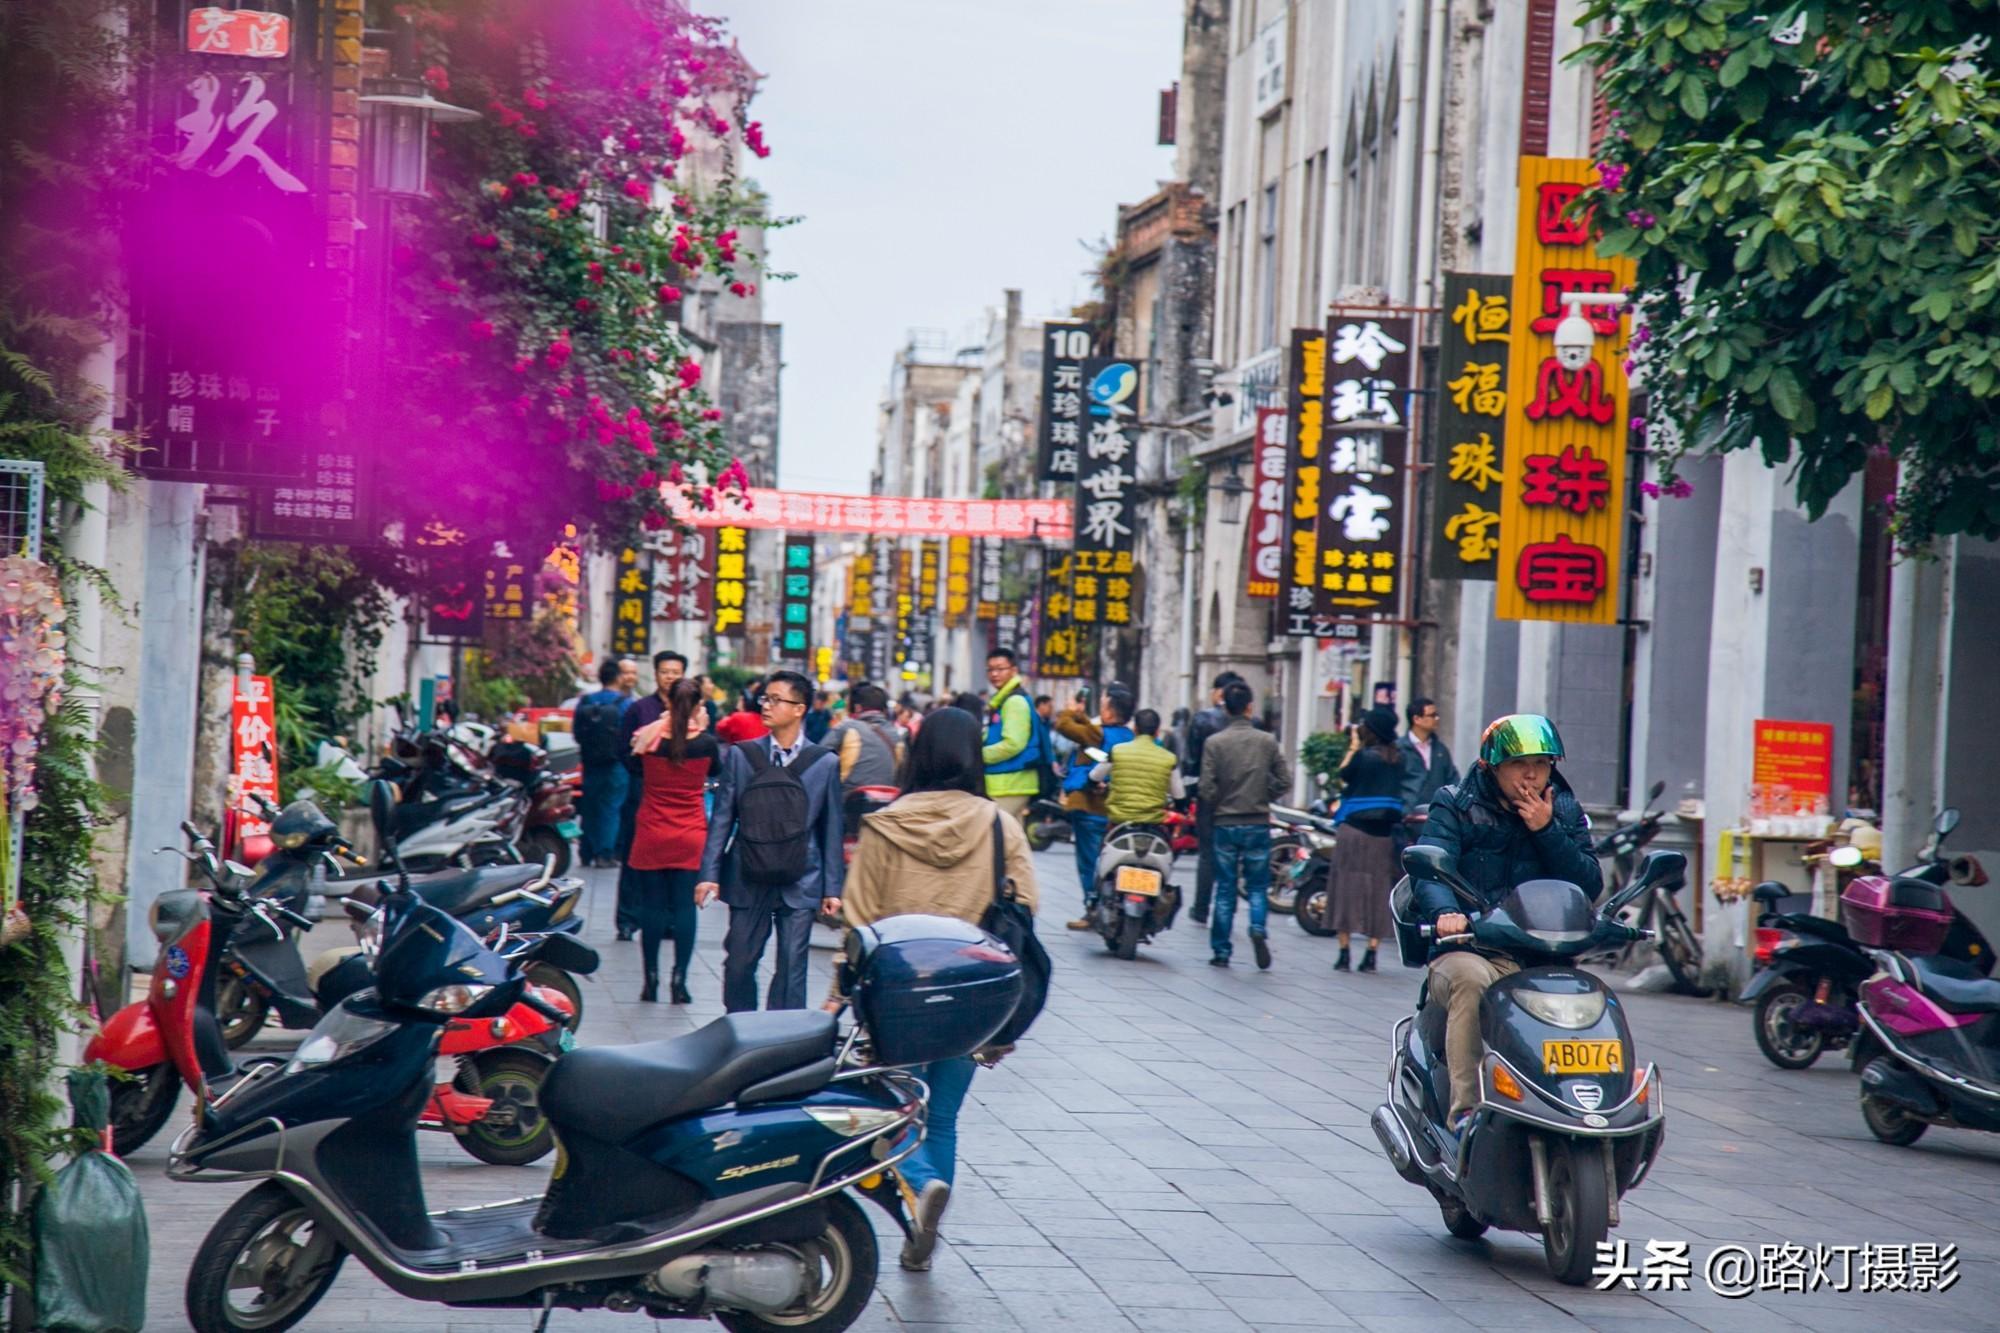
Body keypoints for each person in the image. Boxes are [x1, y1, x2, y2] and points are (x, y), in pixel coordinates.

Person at [830, 706, 1038, 1272]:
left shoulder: (886, 822)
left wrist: (837, 990)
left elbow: (860, 917)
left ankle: (918, 1185)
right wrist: (1008, 1017)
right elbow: (1025, 910)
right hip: (973, 997)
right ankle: (924, 1218)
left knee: (895, 1107)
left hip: (897, 994)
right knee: (941, 1117)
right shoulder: (1001, 826)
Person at [1417, 714, 1601, 1133]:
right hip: (1471, 947)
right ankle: (1465, 1111)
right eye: (1520, 763)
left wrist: (1546, 829)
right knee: (1470, 979)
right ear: (1492, 766)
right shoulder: (1456, 804)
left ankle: (1583, 1104)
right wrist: (1446, 914)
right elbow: (1430, 869)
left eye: (1542, 762)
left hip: (1542, 954)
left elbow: (1589, 883)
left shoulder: (1564, 809)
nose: (1532, 774)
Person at [697, 669, 844, 1012]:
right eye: (765, 698)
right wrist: (708, 874)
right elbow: (722, 819)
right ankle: (741, 1030)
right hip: (748, 872)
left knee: (793, 967)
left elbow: (831, 828)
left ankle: (782, 1042)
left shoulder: (823, 763)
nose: (766, 706)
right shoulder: (741, 756)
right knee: (739, 963)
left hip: (802, 875)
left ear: (799, 708)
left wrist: (832, 888)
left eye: (776, 700)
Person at [625, 677, 717, 1004]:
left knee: (651, 907)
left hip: (652, 829)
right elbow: (716, 771)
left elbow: (631, 766)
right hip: (690, 832)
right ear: (696, 706)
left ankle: (650, 980)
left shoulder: (649, 740)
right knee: (683, 908)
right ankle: (680, 980)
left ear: (668, 702)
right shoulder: (706, 744)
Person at [1198, 681, 1292, 970]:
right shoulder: (1267, 741)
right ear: (1250, 707)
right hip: (1257, 822)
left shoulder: (1215, 743)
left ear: (1224, 706)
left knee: (1225, 888)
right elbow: (1285, 781)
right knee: (1257, 886)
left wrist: (1221, 801)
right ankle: (1257, 928)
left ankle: (1222, 950)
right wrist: (1264, 794)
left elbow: (1206, 788)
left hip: (1225, 823)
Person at [1326, 707, 1406, 973]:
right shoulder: (1398, 758)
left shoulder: (1362, 757)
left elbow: (1344, 775)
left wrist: (1353, 746)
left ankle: (1344, 951)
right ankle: (1371, 952)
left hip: (1354, 831)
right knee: (1378, 888)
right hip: (1383, 835)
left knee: (1345, 887)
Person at [615, 650, 687, 939]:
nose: (670, 677)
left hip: (678, 797)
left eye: (675, 672)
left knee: (673, 859)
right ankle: (627, 920)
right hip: (643, 792)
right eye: (665, 672)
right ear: (656, 674)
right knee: (635, 857)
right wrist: (644, 772)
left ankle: (668, 920)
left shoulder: (693, 710)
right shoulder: (639, 709)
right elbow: (622, 749)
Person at [1052, 688, 1135, 930]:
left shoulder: (1096, 733)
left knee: (1090, 862)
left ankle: (1092, 908)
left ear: (1109, 711)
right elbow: (1091, 733)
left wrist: (1071, 710)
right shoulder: (1128, 737)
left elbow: (1064, 726)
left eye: (1102, 703)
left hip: (1090, 808)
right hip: (1117, 810)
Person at [1182, 671, 1245, 925]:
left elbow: (1191, 762)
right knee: (1231, 853)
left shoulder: (1202, 720)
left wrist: (1187, 798)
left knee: (1207, 854)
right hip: (1241, 798)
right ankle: (1226, 908)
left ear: (1219, 692)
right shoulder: (1254, 724)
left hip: (1209, 797)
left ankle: (1200, 908)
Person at [572, 657, 633, 868]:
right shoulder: (625, 703)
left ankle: (585, 851)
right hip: (617, 765)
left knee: (589, 806)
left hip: (590, 762)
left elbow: (577, 733)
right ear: (618, 677)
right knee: (611, 807)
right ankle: (604, 854)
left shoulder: (586, 701)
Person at [980, 647, 1047, 820]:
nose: (994, 674)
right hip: (1009, 783)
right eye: (991, 669)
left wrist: (978, 755)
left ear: (1014, 670)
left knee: (995, 836)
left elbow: (1013, 744)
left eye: (1000, 669)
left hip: (1010, 783)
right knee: (1012, 841)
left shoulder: (1014, 702)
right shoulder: (1005, 700)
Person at [1090, 708, 1183, 830]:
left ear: (1134, 729)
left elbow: (1094, 777)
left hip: (1119, 822)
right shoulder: (1170, 759)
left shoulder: (1117, 751)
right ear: (1157, 731)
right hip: (1153, 823)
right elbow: (1179, 795)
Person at [827, 682, 903, 800]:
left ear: (857, 708)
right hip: (887, 806)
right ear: (884, 710)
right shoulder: (897, 736)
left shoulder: (847, 728)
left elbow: (819, 757)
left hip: (847, 803)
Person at [1397, 696, 1460, 815]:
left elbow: (1453, 779)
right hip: (1406, 817)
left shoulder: (1440, 750)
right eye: (1432, 715)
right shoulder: (1399, 749)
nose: (1437, 719)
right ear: (1416, 719)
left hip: (1437, 815)